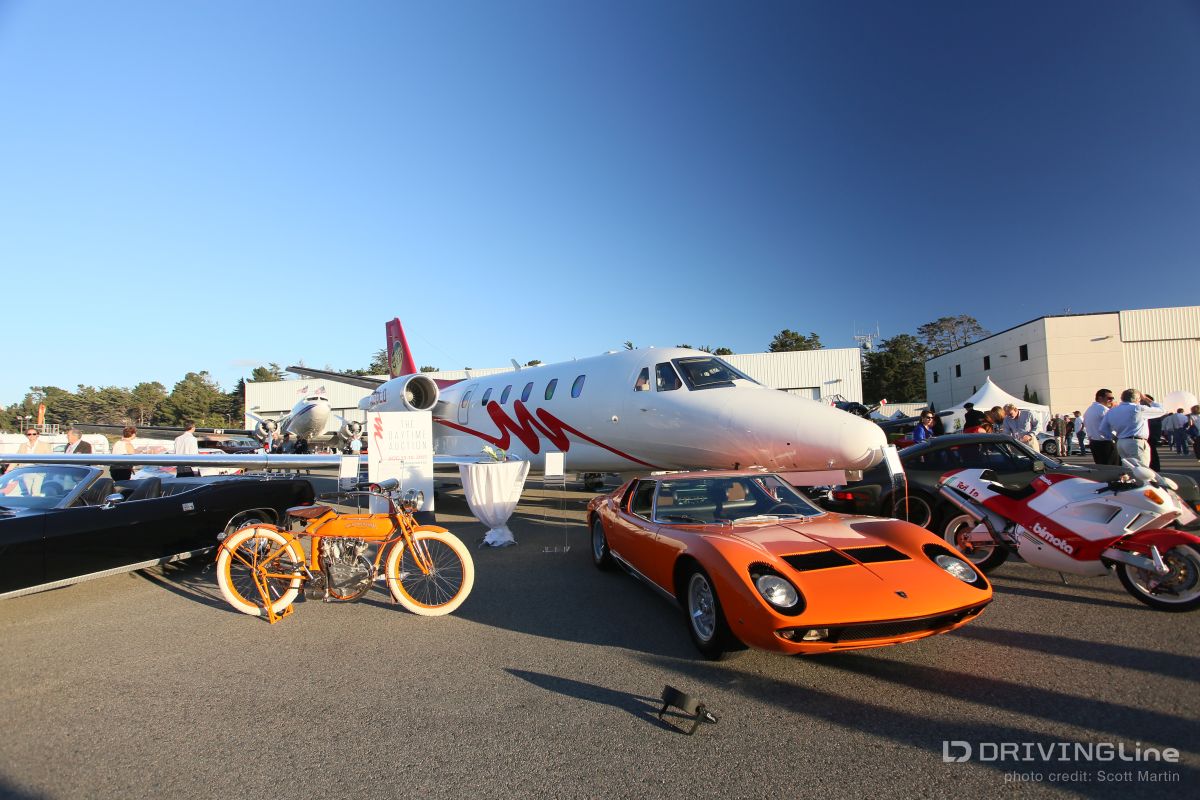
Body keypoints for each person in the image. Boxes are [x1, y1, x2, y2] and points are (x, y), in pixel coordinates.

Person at [1100, 388, 1170, 468]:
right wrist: (1146, 398)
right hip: (1136, 442)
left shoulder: (1112, 411)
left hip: (1121, 442)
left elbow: (1102, 429)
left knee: (1127, 468)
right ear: (1137, 399)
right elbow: (1162, 410)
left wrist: (1114, 438)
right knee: (1141, 469)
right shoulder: (1138, 409)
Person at [1083, 389, 1118, 466]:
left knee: (1101, 467)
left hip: (1094, 442)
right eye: (1109, 398)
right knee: (1113, 468)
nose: (1111, 400)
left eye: (1112, 398)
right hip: (1106, 443)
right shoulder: (1104, 410)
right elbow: (1116, 424)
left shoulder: (1089, 410)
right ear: (1100, 398)